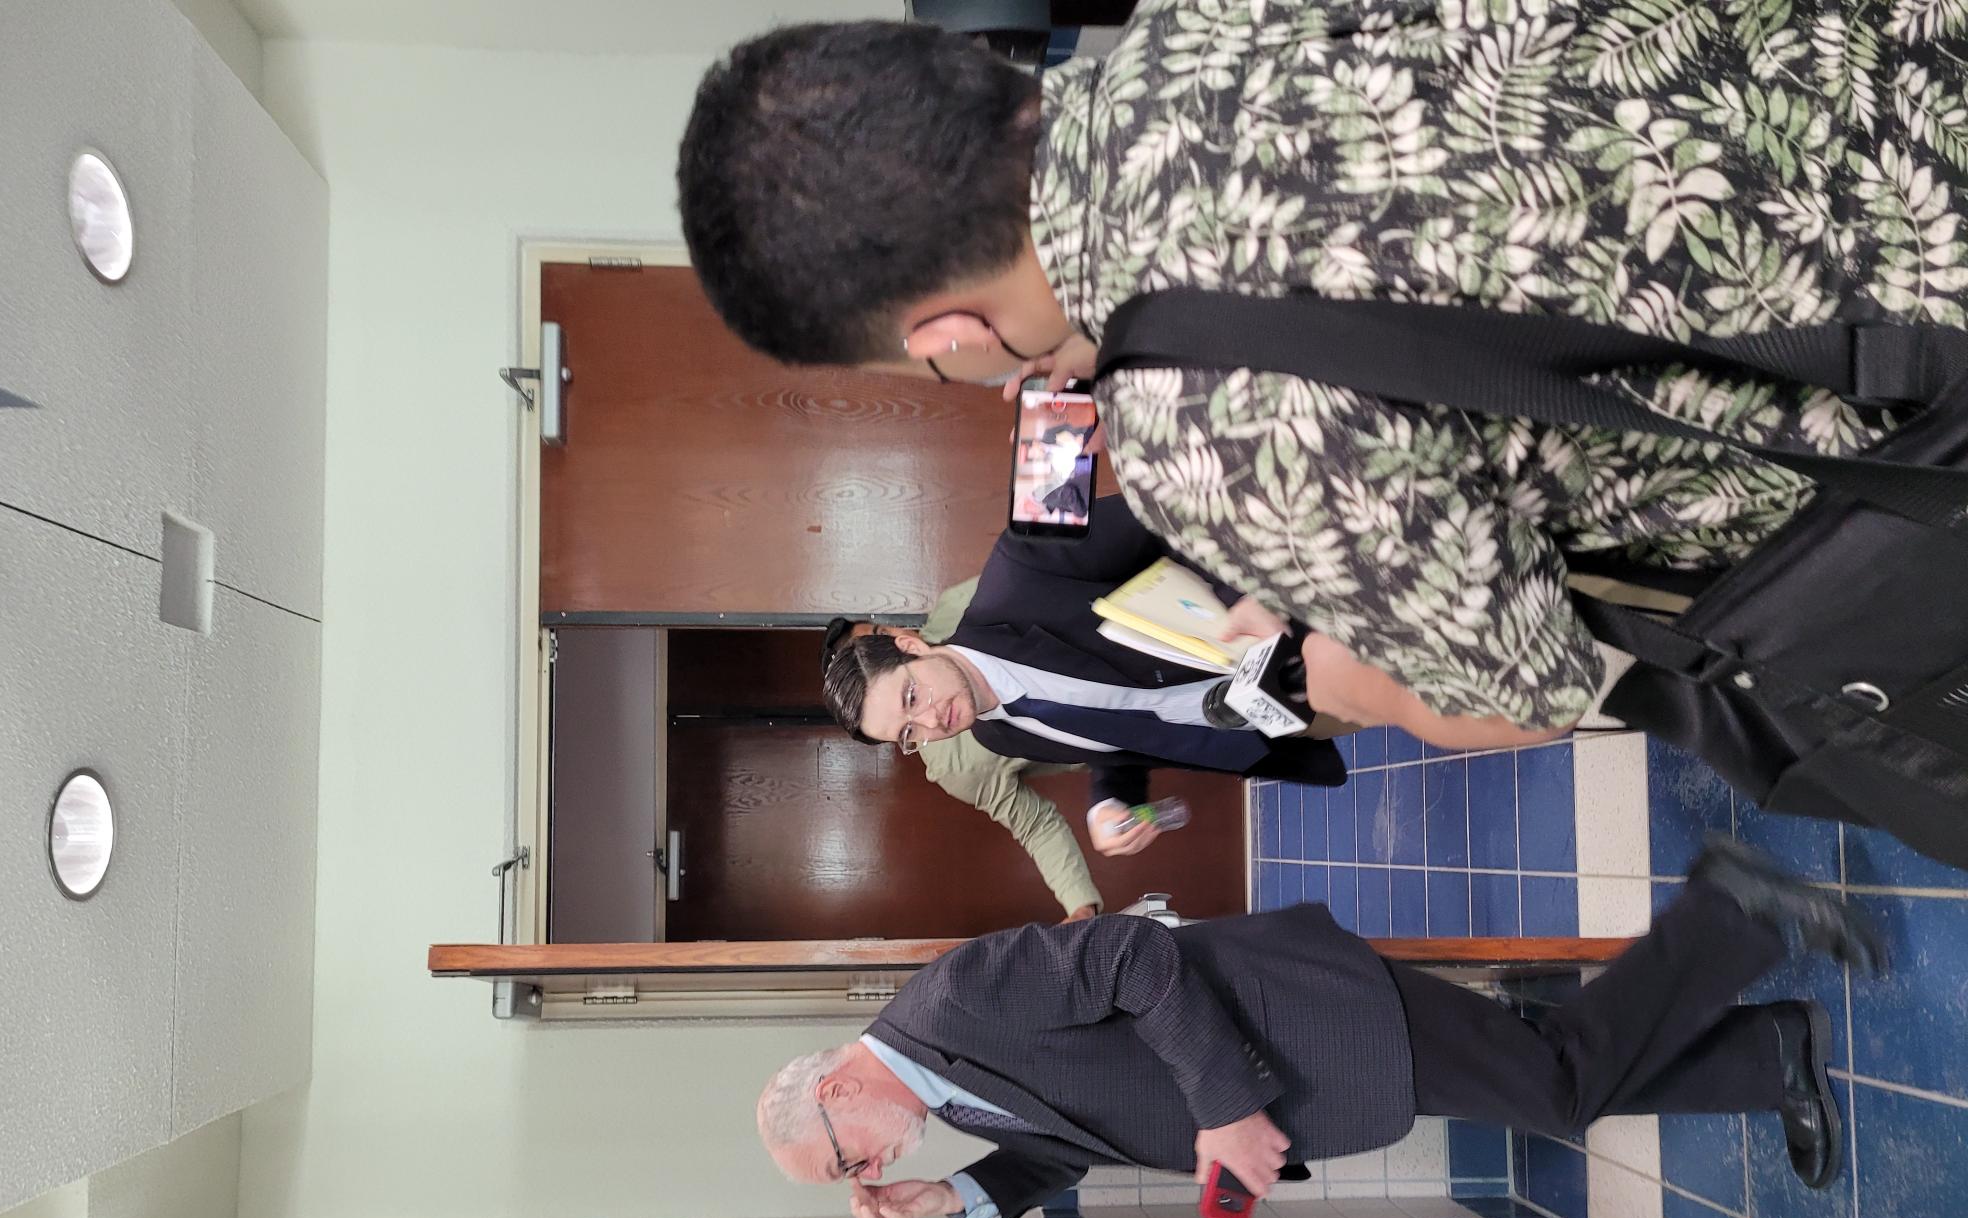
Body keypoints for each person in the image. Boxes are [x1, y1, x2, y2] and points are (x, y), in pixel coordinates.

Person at [677, 3, 1968, 745]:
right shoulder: (1212, 14)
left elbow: (1531, 690)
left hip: (1915, 429)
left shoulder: (1201, 429)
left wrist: (1356, 679)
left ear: (944, 339)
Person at [756, 839, 1882, 1218]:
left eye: (850, 1161)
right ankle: (1763, 1052)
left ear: (839, 1097)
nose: (870, 1170)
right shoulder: (940, 1092)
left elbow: (1134, 958)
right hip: (1311, 1074)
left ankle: (1734, 910)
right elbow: (1065, 1142)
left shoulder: (951, 1005)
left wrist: (1223, 1112)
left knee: (1551, 1086)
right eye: (856, 1179)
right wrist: (948, 1199)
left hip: (1304, 1021)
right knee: (1536, 1072)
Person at [821, 494, 1350, 860]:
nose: (932, 720)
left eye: (913, 695)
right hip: (1267, 724)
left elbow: (1162, 513)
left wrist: (1244, 598)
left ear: (911, 646)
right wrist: (1109, 799)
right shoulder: (995, 731)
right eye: (910, 734)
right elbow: (1121, 729)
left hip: (1293, 627)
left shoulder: (1022, 568)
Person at [823, 582, 1103, 925]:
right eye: (906, 732)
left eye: (880, 633)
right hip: (1122, 741)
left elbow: (1054, 579)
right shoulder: (951, 765)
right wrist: (1080, 906)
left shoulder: (962, 606)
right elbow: (1035, 824)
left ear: (901, 642)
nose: (930, 717)